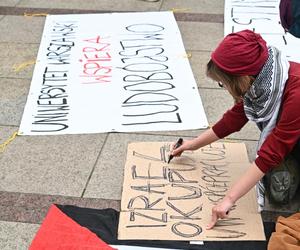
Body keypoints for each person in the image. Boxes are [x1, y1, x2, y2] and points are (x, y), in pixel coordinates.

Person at [170, 30, 300, 229]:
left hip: (291, 134)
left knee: (280, 194)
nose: (224, 87)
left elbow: (272, 152)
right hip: (291, 133)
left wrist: (229, 199)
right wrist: (193, 145)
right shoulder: (265, 77)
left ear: (242, 79)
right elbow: (234, 119)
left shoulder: (295, 92)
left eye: (224, 83)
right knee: (276, 185)